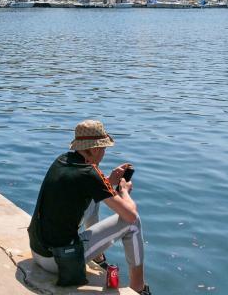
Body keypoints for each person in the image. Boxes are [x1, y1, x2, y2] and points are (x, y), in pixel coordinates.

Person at [28, 120, 150, 294]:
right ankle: (139, 287)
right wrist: (124, 191)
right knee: (133, 222)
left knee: (94, 198)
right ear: (94, 149)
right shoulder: (90, 174)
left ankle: (98, 257)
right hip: (59, 261)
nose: (104, 153)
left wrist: (109, 181)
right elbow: (130, 215)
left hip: (38, 251)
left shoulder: (61, 160)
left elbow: (88, 186)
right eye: (103, 149)